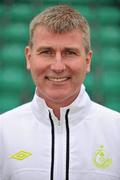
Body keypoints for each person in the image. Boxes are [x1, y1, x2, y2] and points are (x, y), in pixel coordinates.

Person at [0, 4, 120, 180]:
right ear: (28, 57)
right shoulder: (3, 132)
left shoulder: (116, 131)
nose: (57, 66)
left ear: (88, 61)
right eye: (46, 52)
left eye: (70, 52)